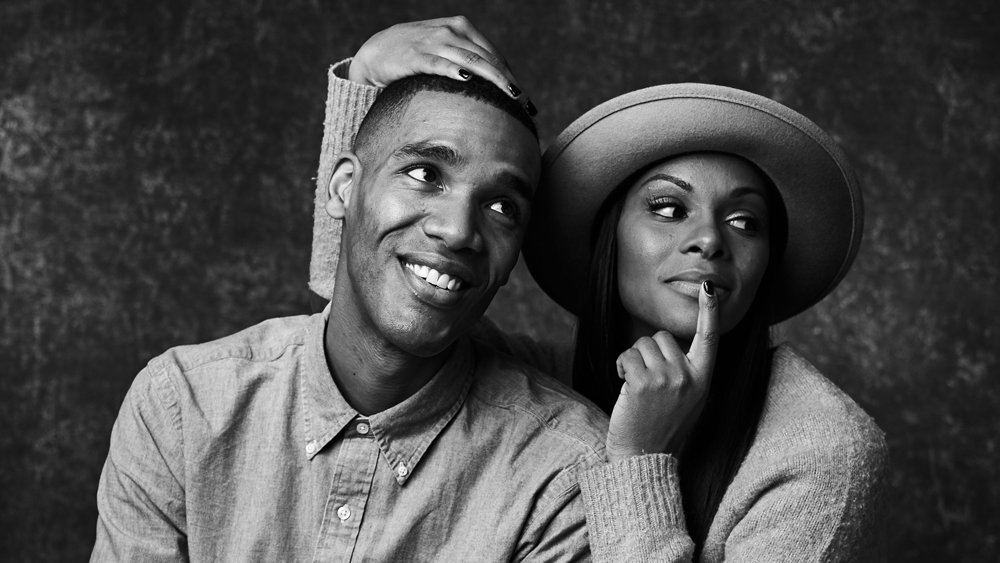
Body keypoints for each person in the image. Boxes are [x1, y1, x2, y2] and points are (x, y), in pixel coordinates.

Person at [312, 17, 889, 562]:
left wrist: (639, 461)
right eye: (669, 208)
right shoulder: (540, 384)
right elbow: (369, 305)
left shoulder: (821, 447)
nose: (710, 241)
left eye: (745, 222)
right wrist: (365, 76)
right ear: (606, 239)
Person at [91, 63, 612, 561]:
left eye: (503, 208)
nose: (458, 231)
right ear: (343, 187)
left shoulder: (565, 473)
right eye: (425, 173)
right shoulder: (181, 408)